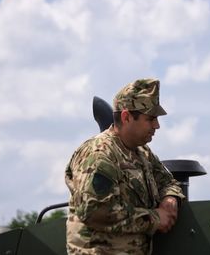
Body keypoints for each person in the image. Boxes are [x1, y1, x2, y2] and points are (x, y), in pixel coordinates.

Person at [65, 78, 185, 254]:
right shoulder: (99, 154)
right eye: (150, 119)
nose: (157, 126)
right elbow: (95, 211)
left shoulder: (142, 152)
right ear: (126, 117)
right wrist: (154, 219)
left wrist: (170, 199)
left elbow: (168, 182)